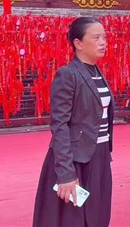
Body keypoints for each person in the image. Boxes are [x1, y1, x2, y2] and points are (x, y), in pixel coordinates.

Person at [33, 17, 114, 227]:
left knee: (98, 214)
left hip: (100, 155)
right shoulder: (68, 74)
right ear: (78, 43)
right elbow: (59, 125)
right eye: (96, 38)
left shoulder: (96, 73)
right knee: (73, 218)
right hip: (76, 159)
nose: (103, 42)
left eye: (104, 37)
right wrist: (66, 173)